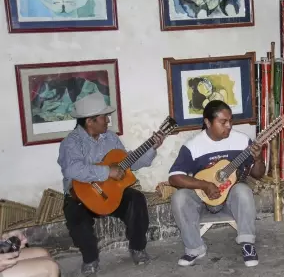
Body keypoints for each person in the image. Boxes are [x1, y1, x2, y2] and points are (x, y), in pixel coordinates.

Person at [57, 92, 165, 276]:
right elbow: (72, 170)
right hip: (81, 196)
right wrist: (107, 171)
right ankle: (90, 259)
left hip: (111, 195)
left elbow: (127, 163)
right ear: (90, 121)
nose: (108, 120)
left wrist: (151, 148)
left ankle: (138, 247)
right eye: (104, 117)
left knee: (136, 199)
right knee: (74, 212)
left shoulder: (111, 138)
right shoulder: (71, 142)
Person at [168, 100, 265, 267]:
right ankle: (194, 248)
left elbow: (258, 174)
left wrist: (257, 158)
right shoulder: (193, 146)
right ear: (207, 122)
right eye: (223, 122)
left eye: (230, 121)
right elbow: (174, 177)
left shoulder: (242, 141)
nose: (228, 126)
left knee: (243, 190)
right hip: (202, 198)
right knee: (179, 197)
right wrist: (204, 185)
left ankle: (248, 244)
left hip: (230, 198)